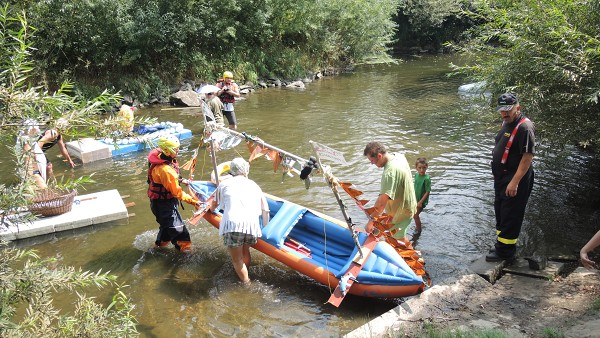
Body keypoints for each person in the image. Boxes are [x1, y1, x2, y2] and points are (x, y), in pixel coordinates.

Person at [486, 93, 535, 262]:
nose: (505, 113)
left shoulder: (524, 128)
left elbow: (527, 157)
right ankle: (502, 246)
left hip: (515, 179)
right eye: (502, 110)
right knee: (501, 211)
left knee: (511, 214)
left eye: (508, 110)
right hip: (502, 178)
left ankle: (505, 254)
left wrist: (515, 182)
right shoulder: (507, 122)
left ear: (518, 108)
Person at [210, 157, 269, 284]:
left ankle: (246, 283)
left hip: (233, 224)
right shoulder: (254, 185)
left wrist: (210, 210)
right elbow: (264, 207)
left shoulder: (224, 184)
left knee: (237, 260)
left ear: (231, 170)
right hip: (252, 225)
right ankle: (245, 271)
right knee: (245, 250)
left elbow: (215, 204)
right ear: (245, 170)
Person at [147, 135, 200, 252]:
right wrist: (194, 202)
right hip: (163, 205)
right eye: (176, 149)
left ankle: (157, 250)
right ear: (167, 150)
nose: (178, 151)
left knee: (167, 229)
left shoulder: (164, 159)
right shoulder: (165, 170)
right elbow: (177, 193)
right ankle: (185, 255)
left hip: (161, 203)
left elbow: (169, 180)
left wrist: (181, 180)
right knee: (179, 231)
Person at [363, 142, 417, 243]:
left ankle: (414, 258)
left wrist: (370, 222)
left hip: (402, 211)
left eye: (372, 161)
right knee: (383, 230)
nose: (372, 163)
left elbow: (380, 204)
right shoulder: (398, 156)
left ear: (379, 156)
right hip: (407, 203)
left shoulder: (389, 173)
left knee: (398, 239)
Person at [413, 157, 431, 235]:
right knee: (414, 214)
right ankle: (418, 226)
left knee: (415, 215)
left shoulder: (427, 178)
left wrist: (420, 202)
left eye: (424, 168)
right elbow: (415, 185)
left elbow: (427, 192)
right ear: (416, 168)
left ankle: (419, 231)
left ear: (427, 166)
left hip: (421, 200)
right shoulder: (416, 175)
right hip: (415, 198)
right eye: (419, 168)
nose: (422, 170)